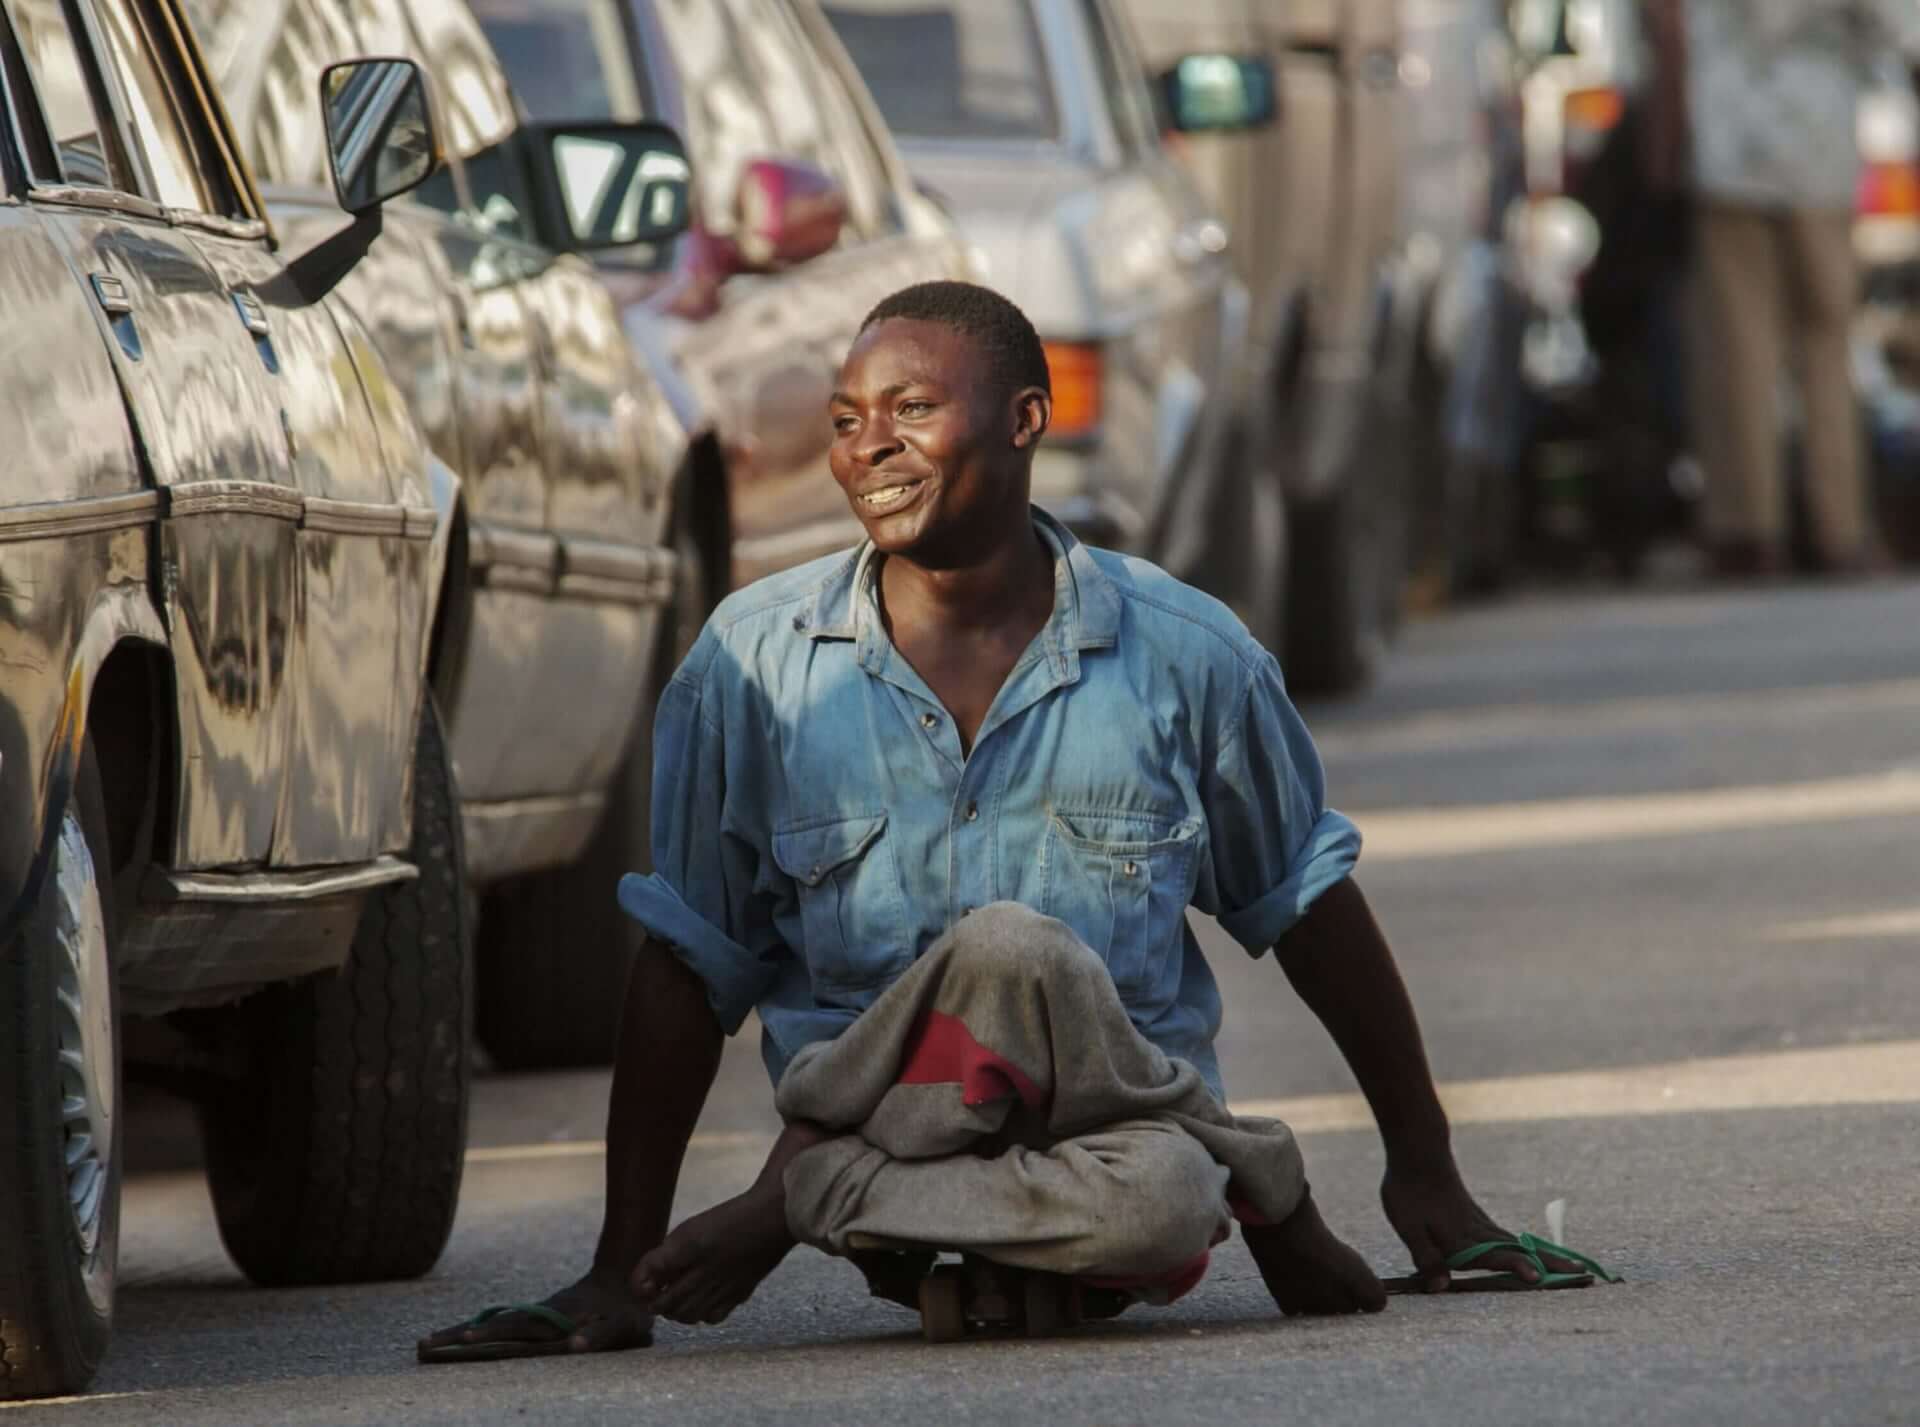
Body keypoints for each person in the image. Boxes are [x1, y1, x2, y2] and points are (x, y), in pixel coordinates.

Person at [418, 282, 1581, 1362]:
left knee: (1141, 1152)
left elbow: (1309, 903)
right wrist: (619, 1265)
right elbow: (689, 959)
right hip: (883, 1131)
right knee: (1020, 978)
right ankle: (1249, 1176)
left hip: (1091, 1138)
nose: (866, 445)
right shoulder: (752, 666)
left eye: (911, 408)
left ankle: (796, 1198)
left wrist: (1425, 1168)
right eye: (844, 418)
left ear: (1028, 419)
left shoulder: (1186, 654)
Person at [1684, 0, 1920, 578]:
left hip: (1731, 141)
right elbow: (1896, 22)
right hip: (1816, 139)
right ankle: (1838, 530)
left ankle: (1748, 530)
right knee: (1825, 343)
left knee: (1742, 346)